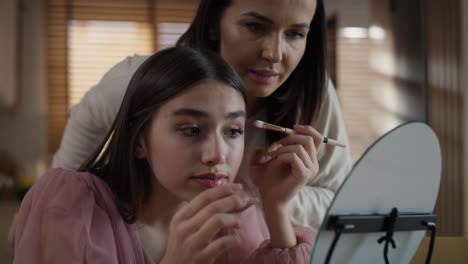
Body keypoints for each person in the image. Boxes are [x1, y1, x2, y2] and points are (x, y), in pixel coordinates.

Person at [52, 0, 352, 229]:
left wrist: (269, 196)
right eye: (255, 27)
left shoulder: (313, 95)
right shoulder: (135, 83)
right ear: (213, 23)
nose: (274, 54)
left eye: (296, 34)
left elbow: (339, 202)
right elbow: (61, 188)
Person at [9, 47, 316, 263]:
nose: (217, 155)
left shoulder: (237, 212)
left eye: (233, 131)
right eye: (192, 130)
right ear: (139, 140)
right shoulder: (71, 207)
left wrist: (276, 207)